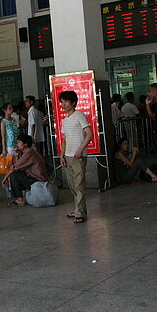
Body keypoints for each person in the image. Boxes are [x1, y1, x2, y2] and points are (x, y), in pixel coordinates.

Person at [59, 90, 93, 223]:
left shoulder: (80, 116)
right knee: (72, 185)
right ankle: (78, 209)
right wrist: (61, 155)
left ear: (73, 103)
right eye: (62, 102)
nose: (63, 104)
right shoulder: (65, 120)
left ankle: (80, 213)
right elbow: (65, 139)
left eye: (66, 101)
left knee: (79, 184)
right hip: (67, 156)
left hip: (78, 156)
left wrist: (80, 149)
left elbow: (89, 134)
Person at [2, 134, 48, 206]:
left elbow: (15, 167)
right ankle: (20, 197)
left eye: (19, 142)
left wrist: (5, 178)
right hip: (36, 178)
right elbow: (19, 166)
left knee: (13, 175)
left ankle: (20, 199)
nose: (17, 144)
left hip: (37, 180)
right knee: (15, 173)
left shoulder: (29, 153)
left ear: (25, 144)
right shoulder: (30, 152)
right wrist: (16, 156)